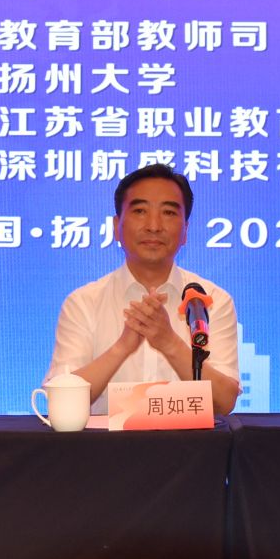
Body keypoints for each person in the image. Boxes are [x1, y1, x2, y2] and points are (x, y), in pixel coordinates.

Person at [46, 163, 241, 415]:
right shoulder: (84, 302)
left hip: (189, 442)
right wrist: (122, 348)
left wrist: (169, 342)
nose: (154, 225)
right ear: (116, 227)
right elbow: (59, 403)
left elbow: (224, 402)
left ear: (185, 231)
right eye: (140, 211)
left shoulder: (210, 301)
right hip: (104, 442)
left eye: (168, 213)